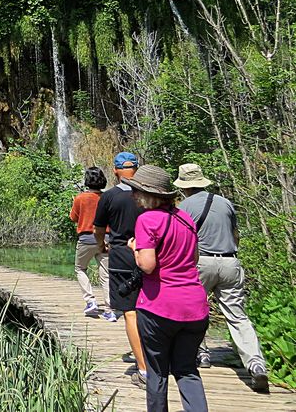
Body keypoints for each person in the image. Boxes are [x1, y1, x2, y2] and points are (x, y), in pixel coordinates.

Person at [176, 163, 269, 392]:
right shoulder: (224, 202)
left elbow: (182, 240)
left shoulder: (184, 207)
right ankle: (256, 364)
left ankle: (202, 354)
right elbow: (235, 234)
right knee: (237, 315)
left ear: (183, 186)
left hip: (200, 262)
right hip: (230, 260)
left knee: (194, 309)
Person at [126, 164, 209, 412]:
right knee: (187, 370)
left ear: (147, 194)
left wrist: (136, 250)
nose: (133, 196)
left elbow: (148, 266)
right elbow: (193, 259)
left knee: (157, 373)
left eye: (136, 191)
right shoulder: (186, 218)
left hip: (159, 308)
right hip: (195, 307)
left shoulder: (147, 219)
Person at [94, 151, 148, 387]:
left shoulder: (109, 197)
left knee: (130, 312)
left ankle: (144, 369)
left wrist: (101, 245)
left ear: (115, 171)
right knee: (151, 307)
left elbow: (98, 228)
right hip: (149, 254)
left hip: (121, 257)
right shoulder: (147, 194)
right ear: (137, 169)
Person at [70, 167, 110, 318]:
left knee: (80, 268)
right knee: (106, 274)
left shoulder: (80, 198)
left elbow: (73, 218)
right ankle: (109, 307)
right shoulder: (107, 197)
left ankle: (90, 300)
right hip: (106, 238)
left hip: (86, 239)